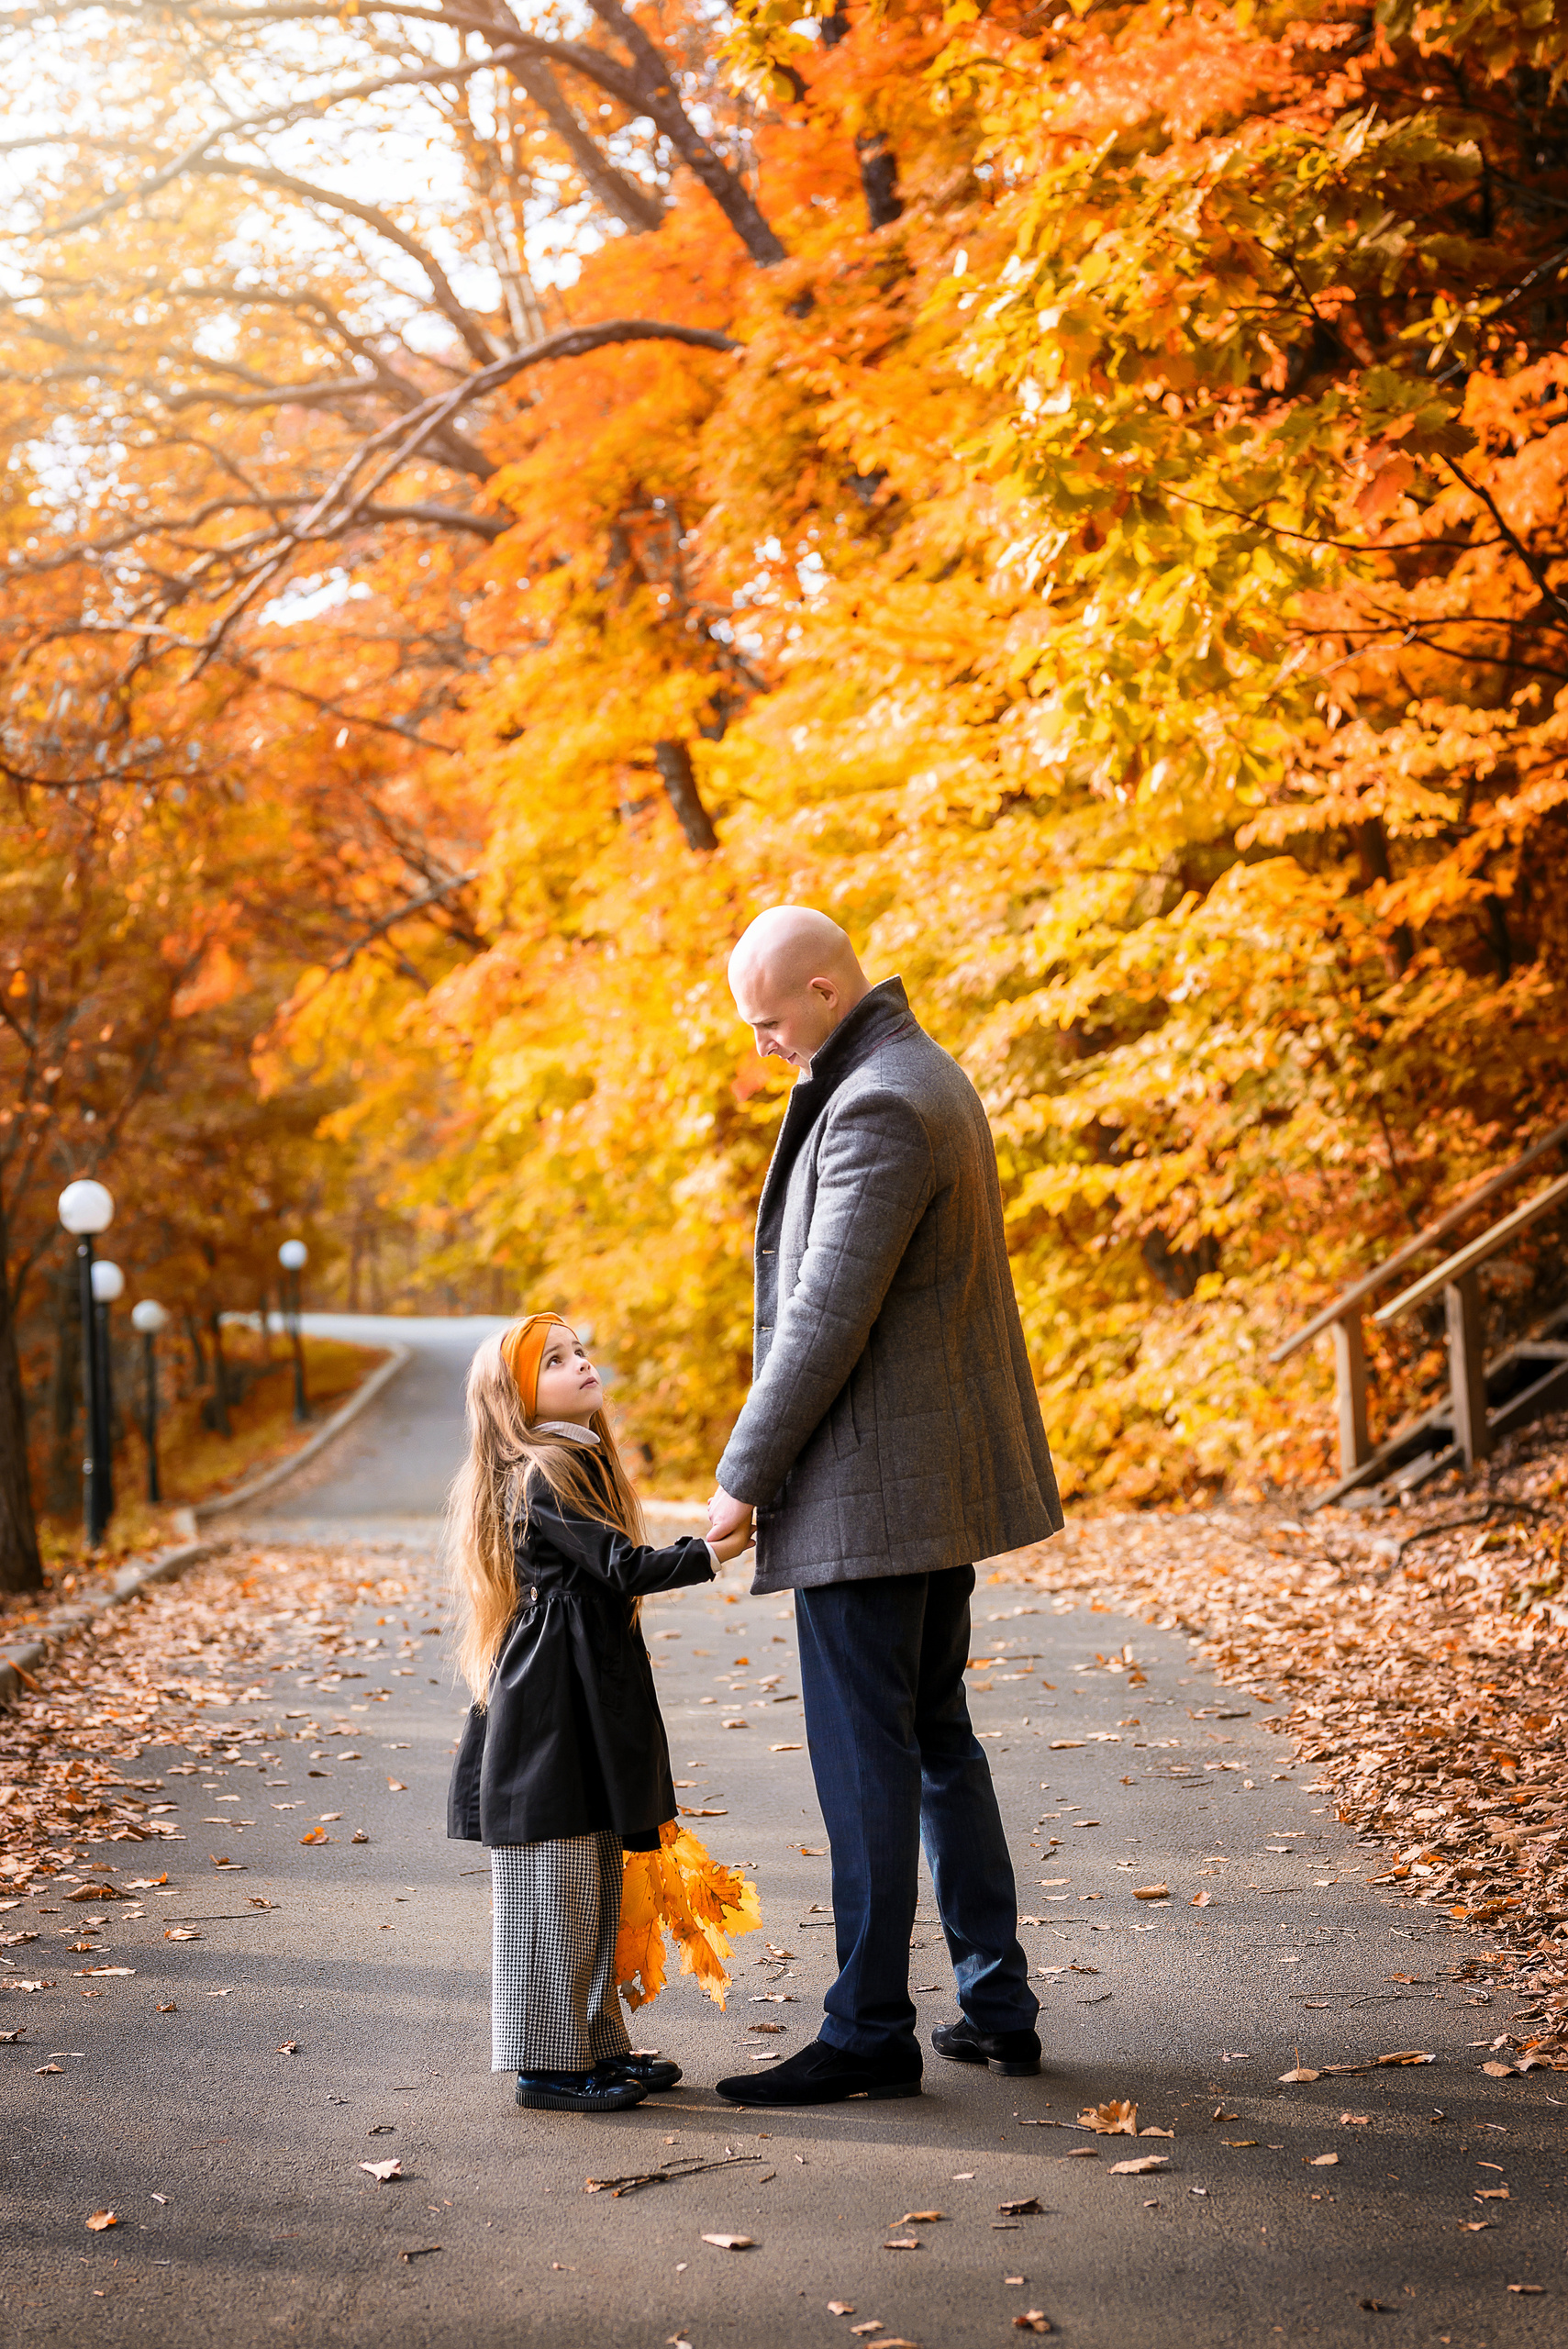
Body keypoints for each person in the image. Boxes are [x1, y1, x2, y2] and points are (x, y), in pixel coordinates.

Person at [706, 907, 1063, 2108]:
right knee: (937, 1745)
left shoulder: (876, 1104)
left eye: (767, 1021)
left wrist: (742, 1477)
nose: (760, 1044)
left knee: (871, 1768)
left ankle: (866, 2031)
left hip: (872, 1501)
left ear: (822, 986)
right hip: (924, 1492)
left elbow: (823, 1316)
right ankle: (995, 2003)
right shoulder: (925, 1073)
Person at [447, 1312, 753, 2113]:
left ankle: (592, 2045)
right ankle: (546, 2066)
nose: (580, 1362)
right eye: (555, 1360)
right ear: (517, 1398)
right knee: (552, 1890)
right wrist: (713, 1550)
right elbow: (618, 1567)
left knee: (587, 1885)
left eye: (578, 1350)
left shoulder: (573, 1461)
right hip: (549, 1711)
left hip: (579, 1698)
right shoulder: (537, 1471)